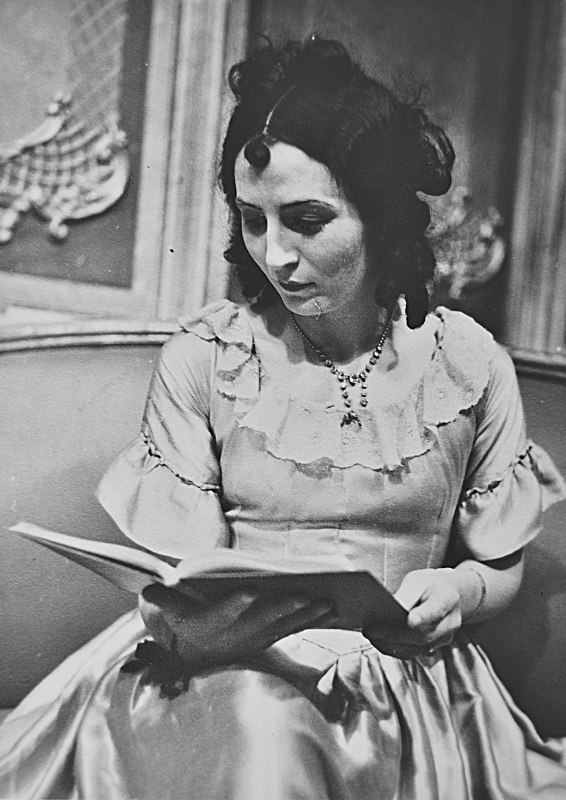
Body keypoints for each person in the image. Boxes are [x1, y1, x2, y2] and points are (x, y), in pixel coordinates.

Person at [1, 35, 566, 800]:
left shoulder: (469, 364)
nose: (275, 255)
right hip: (233, 674)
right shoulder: (209, 358)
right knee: (265, 732)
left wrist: (459, 593)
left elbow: (500, 566)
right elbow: (192, 575)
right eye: (253, 220)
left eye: (306, 219)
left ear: (380, 215)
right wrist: (190, 620)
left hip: (403, 684)